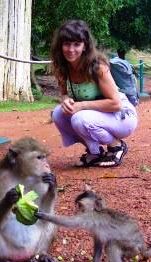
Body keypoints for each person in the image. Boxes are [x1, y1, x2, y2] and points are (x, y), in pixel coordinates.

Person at [50, 20, 138, 168]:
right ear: (60, 45)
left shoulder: (97, 67)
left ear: (85, 46)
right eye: (66, 44)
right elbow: (65, 94)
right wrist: (65, 100)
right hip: (95, 116)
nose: (71, 49)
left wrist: (82, 105)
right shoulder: (63, 67)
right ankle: (95, 153)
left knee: (79, 118)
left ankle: (116, 146)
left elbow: (116, 104)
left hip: (122, 117)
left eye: (76, 44)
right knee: (58, 114)